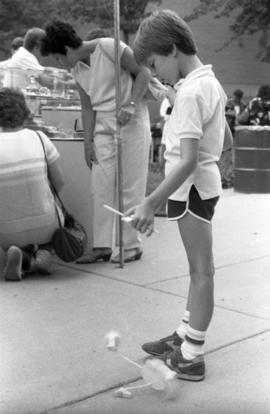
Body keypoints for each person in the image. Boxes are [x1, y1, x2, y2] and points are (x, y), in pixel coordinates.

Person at [126, 9, 233, 381]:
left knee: (202, 272)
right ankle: (186, 333)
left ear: (171, 49)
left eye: (154, 64)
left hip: (191, 191)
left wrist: (150, 201)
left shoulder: (191, 93)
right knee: (197, 270)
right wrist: (175, 95)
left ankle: (191, 355)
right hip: (200, 189)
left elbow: (186, 162)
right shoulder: (207, 84)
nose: (154, 74)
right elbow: (224, 140)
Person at [40, 20, 162, 264]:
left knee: (130, 186)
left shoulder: (108, 47)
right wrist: (87, 142)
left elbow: (144, 72)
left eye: (57, 58)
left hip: (131, 120)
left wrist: (130, 103)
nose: (59, 65)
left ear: (66, 49)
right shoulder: (77, 70)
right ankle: (103, 246)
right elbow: (87, 106)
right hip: (103, 127)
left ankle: (130, 245)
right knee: (101, 186)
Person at [0, 88, 64, 281]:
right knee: (47, 210)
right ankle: (42, 253)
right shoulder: (40, 138)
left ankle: (21, 256)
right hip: (46, 225)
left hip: (5, 231)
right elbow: (59, 182)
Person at [3, 28, 71, 90]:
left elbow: (44, 69)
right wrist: (70, 84)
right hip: (16, 101)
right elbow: (45, 81)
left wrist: (65, 74)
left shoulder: (23, 54)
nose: (45, 54)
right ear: (37, 46)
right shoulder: (24, 57)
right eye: (45, 48)